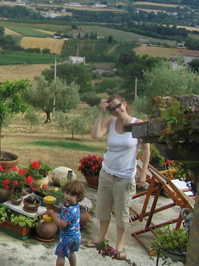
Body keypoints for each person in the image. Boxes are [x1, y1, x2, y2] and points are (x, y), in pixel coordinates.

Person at [85, 95, 150, 261]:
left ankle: (119, 245)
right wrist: (101, 112)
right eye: (112, 108)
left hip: (125, 177)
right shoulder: (111, 122)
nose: (116, 110)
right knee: (103, 208)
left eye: (118, 106)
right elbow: (95, 135)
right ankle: (101, 238)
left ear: (125, 104)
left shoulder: (137, 124)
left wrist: (143, 173)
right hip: (107, 173)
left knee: (122, 212)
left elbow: (146, 148)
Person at [47, 180, 85, 266]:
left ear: (78, 197)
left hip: (67, 237)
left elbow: (62, 224)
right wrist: (55, 208)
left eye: (72, 195)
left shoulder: (70, 210)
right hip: (76, 236)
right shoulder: (72, 204)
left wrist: (53, 214)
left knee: (60, 255)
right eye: (67, 193)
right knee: (70, 252)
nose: (68, 196)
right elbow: (63, 210)